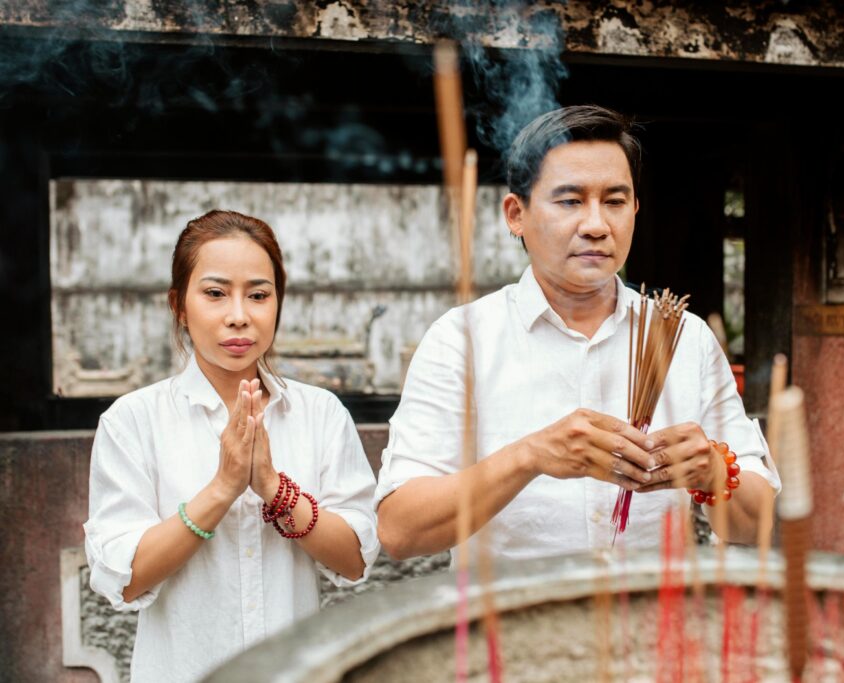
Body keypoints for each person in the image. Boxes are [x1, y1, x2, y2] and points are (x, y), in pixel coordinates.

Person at [376, 105, 779, 562]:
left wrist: (711, 470)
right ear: (516, 214)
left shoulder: (685, 337)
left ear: (635, 210)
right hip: (513, 627)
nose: (596, 225)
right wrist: (529, 456)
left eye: (614, 201)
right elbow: (398, 530)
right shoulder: (461, 339)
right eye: (570, 201)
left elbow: (757, 523)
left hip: (649, 625)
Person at [84, 210, 379, 682]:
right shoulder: (133, 421)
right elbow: (125, 576)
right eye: (215, 293)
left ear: (278, 302)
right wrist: (222, 489)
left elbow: (356, 556)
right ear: (179, 305)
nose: (239, 316)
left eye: (259, 295)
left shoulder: (319, 414)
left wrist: (273, 488)